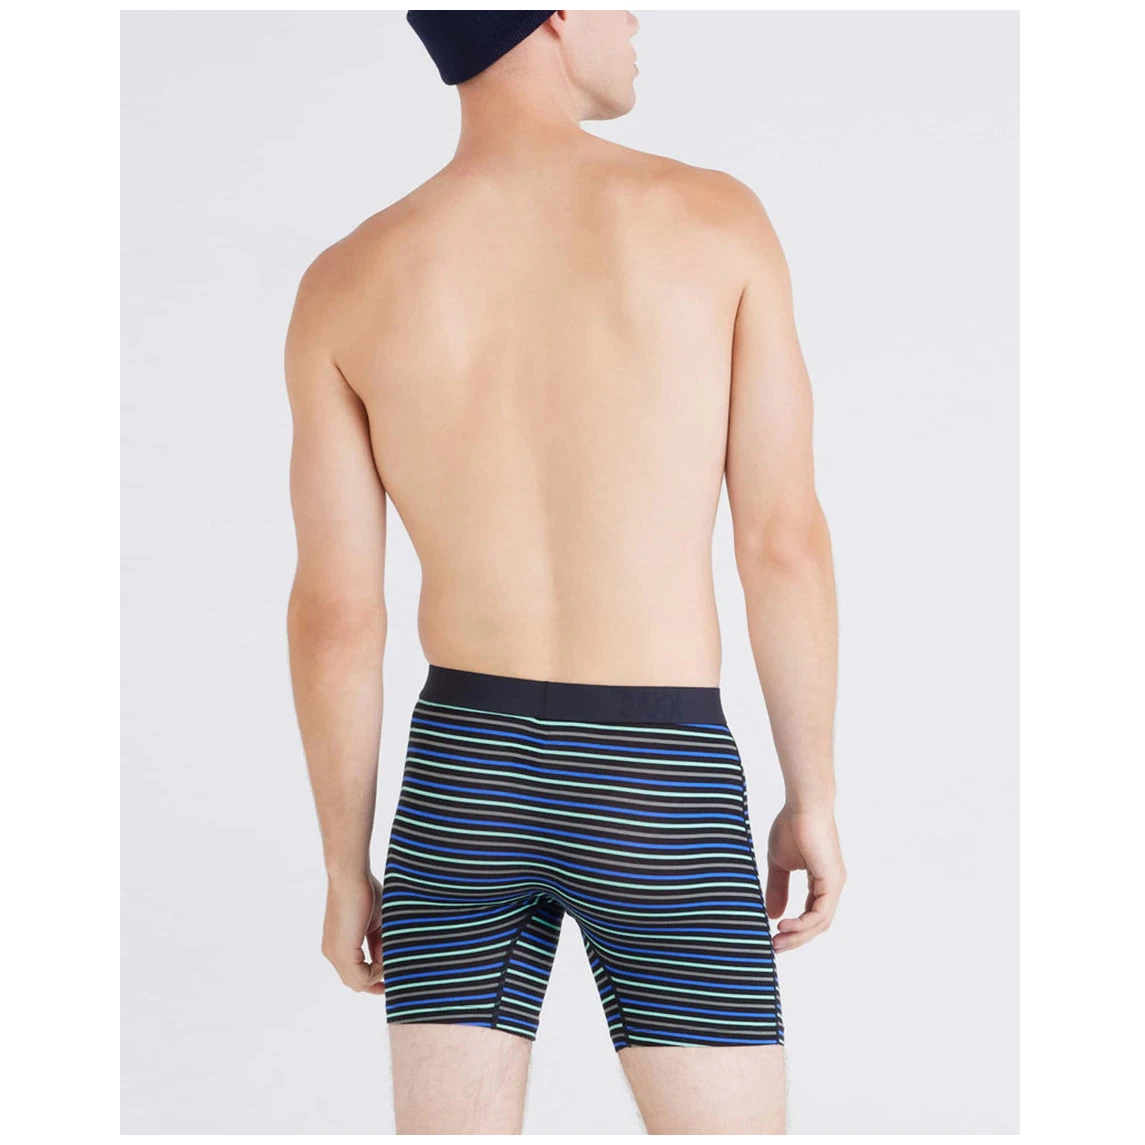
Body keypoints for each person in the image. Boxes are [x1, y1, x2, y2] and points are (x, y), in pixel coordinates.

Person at [285, 10, 844, 1135]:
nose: (632, 17)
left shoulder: (346, 278)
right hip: (658, 774)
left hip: (461, 775)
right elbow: (780, 541)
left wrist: (345, 862)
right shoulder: (713, 220)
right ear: (546, 13)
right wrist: (811, 795)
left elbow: (339, 615)